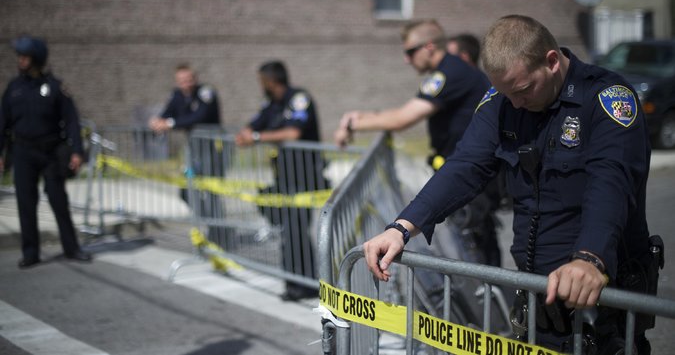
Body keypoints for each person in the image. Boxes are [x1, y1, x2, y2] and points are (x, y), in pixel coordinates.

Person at [363, 15, 658, 353]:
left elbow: (611, 183)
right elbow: (465, 166)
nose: (516, 103)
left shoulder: (606, 99)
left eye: (522, 91)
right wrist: (401, 227)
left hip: (602, 297)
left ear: (550, 62)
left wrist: (590, 259)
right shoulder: (504, 101)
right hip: (538, 299)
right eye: (506, 93)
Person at [334, 19, 502, 267]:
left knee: (476, 254)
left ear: (430, 47)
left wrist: (352, 125)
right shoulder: (449, 70)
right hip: (468, 172)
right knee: (474, 248)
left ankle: (491, 301)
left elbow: (403, 119)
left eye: (410, 51)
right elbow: (404, 111)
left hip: (472, 175)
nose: (406, 59)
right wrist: (361, 116)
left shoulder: (449, 73)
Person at [235, 60, 328, 301]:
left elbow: (293, 133)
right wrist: (248, 132)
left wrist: (255, 137)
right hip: (284, 176)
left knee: (295, 229)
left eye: (262, 82)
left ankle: (303, 284)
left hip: (304, 176)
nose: (261, 86)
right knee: (287, 227)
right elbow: (256, 122)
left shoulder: (299, 99)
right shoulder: (272, 103)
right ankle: (297, 282)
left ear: (271, 81)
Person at [0, 35, 91, 268]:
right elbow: (3, 123)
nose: (20, 60)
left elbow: (72, 121)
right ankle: (31, 253)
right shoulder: (14, 88)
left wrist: (77, 151)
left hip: (51, 153)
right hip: (23, 153)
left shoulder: (55, 88)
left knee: (58, 200)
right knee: (26, 203)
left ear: (36, 58)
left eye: (25, 56)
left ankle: (72, 249)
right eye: (19, 56)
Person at [149, 63, 224, 242]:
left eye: (189, 79)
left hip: (212, 149)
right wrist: (157, 121)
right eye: (182, 80)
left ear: (195, 78)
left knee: (211, 191)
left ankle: (219, 235)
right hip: (193, 152)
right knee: (186, 191)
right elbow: (167, 113)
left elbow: (199, 116)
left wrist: (170, 124)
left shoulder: (206, 92)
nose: (186, 84)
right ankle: (210, 223)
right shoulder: (177, 96)